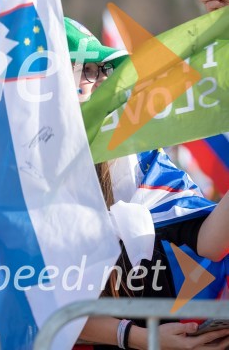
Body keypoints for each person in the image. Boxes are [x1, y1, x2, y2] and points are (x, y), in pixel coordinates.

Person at [63, 18, 229, 350]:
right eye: (85, 70)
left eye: (102, 70)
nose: (102, 81)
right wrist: (142, 338)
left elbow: (210, 242)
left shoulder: (139, 162)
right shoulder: (13, 177)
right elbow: (34, 302)